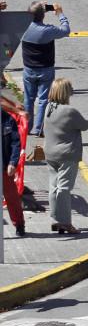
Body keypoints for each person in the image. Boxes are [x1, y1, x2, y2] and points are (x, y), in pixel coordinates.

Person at [44, 78, 88, 235]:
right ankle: (66, 223)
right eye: (70, 88)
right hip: (66, 155)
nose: (72, 90)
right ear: (64, 92)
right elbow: (85, 125)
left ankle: (55, 219)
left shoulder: (49, 107)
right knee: (64, 188)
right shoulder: (69, 111)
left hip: (50, 153)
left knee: (53, 186)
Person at [20, 1, 70, 136]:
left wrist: (39, 14)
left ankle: (26, 127)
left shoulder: (23, 27)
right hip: (45, 69)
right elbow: (66, 30)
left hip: (29, 69)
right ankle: (39, 129)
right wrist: (60, 14)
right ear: (43, 16)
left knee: (28, 99)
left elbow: (32, 20)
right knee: (43, 100)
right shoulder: (48, 30)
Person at [1, 79, 25, 237]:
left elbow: (16, 143)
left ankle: (19, 225)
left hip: (4, 167)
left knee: (11, 197)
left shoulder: (7, 119)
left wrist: (12, 163)